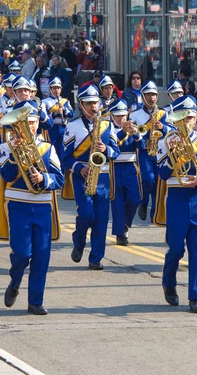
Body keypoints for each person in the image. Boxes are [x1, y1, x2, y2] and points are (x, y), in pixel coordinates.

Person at [0, 100, 64, 315]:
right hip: (18, 206)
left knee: (42, 256)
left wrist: (43, 178)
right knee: (22, 254)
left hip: (42, 207)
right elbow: (7, 175)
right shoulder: (6, 147)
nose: (29, 127)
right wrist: (16, 153)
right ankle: (15, 281)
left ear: (37, 124)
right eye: (26, 123)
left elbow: (59, 179)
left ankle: (35, 301)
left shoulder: (47, 148)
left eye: (32, 122)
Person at [154, 95, 197, 313]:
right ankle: (169, 281)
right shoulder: (165, 142)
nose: (187, 121)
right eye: (182, 117)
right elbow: (162, 174)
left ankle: (196, 297)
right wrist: (175, 155)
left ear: (196, 117)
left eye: (190, 117)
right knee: (176, 249)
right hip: (177, 198)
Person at [62, 84, 119, 271]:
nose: (93, 107)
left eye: (95, 103)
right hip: (82, 177)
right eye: (89, 104)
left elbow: (116, 151)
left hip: (102, 177)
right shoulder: (73, 126)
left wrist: (107, 149)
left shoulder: (106, 124)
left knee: (101, 220)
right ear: (81, 104)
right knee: (87, 214)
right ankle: (78, 241)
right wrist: (79, 168)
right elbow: (65, 158)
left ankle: (96, 258)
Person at [129, 81, 169, 222]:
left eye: (154, 95)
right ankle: (144, 202)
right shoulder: (135, 114)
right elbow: (130, 133)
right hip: (144, 152)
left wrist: (163, 127)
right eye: (149, 95)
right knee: (147, 179)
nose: (152, 98)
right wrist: (140, 141)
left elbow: (172, 131)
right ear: (143, 96)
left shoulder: (163, 113)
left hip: (160, 152)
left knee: (158, 181)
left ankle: (154, 213)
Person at [109, 99, 143, 246]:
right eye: (117, 116)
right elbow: (113, 142)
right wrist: (123, 132)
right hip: (114, 168)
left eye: (123, 116)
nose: (121, 119)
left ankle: (125, 224)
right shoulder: (108, 129)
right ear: (111, 116)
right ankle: (120, 234)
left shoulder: (132, 128)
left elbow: (142, 146)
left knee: (135, 199)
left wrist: (136, 134)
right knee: (116, 202)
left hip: (130, 167)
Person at [41, 77, 73, 159]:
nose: (56, 90)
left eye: (58, 88)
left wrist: (64, 109)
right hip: (52, 129)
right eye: (54, 88)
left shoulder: (65, 101)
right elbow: (44, 117)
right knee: (53, 151)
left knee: (63, 150)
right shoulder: (45, 102)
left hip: (64, 128)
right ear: (50, 89)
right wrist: (55, 113)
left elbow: (72, 114)